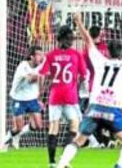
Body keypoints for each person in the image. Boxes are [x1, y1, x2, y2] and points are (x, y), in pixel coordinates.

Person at [57, 13, 122, 168]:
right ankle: (120, 165)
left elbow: (87, 40)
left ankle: (62, 164)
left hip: (94, 108)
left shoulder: (100, 61)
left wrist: (79, 21)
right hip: (113, 110)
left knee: (78, 141)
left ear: (108, 52)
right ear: (121, 53)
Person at [39, 25, 87, 168]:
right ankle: (64, 160)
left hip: (54, 96)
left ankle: (52, 162)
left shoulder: (50, 55)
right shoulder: (76, 54)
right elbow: (84, 75)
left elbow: (42, 75)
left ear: (58, 39)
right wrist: (80, 86)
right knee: (74, 126)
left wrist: (40, 94)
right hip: (70, 96)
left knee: (53, 127)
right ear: (70, 40)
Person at [4, 46, 44, 149]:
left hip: (31, 98)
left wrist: (39, 98)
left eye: (41, 54)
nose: (41, 56)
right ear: (32, 57)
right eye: (38, 54)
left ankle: (17, 135)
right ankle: (4, 141)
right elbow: (30, 79)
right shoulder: (23, 65)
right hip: (18, 98)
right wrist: (42, 74)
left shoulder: (41, 66)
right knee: (18, 127)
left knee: (38, 126)